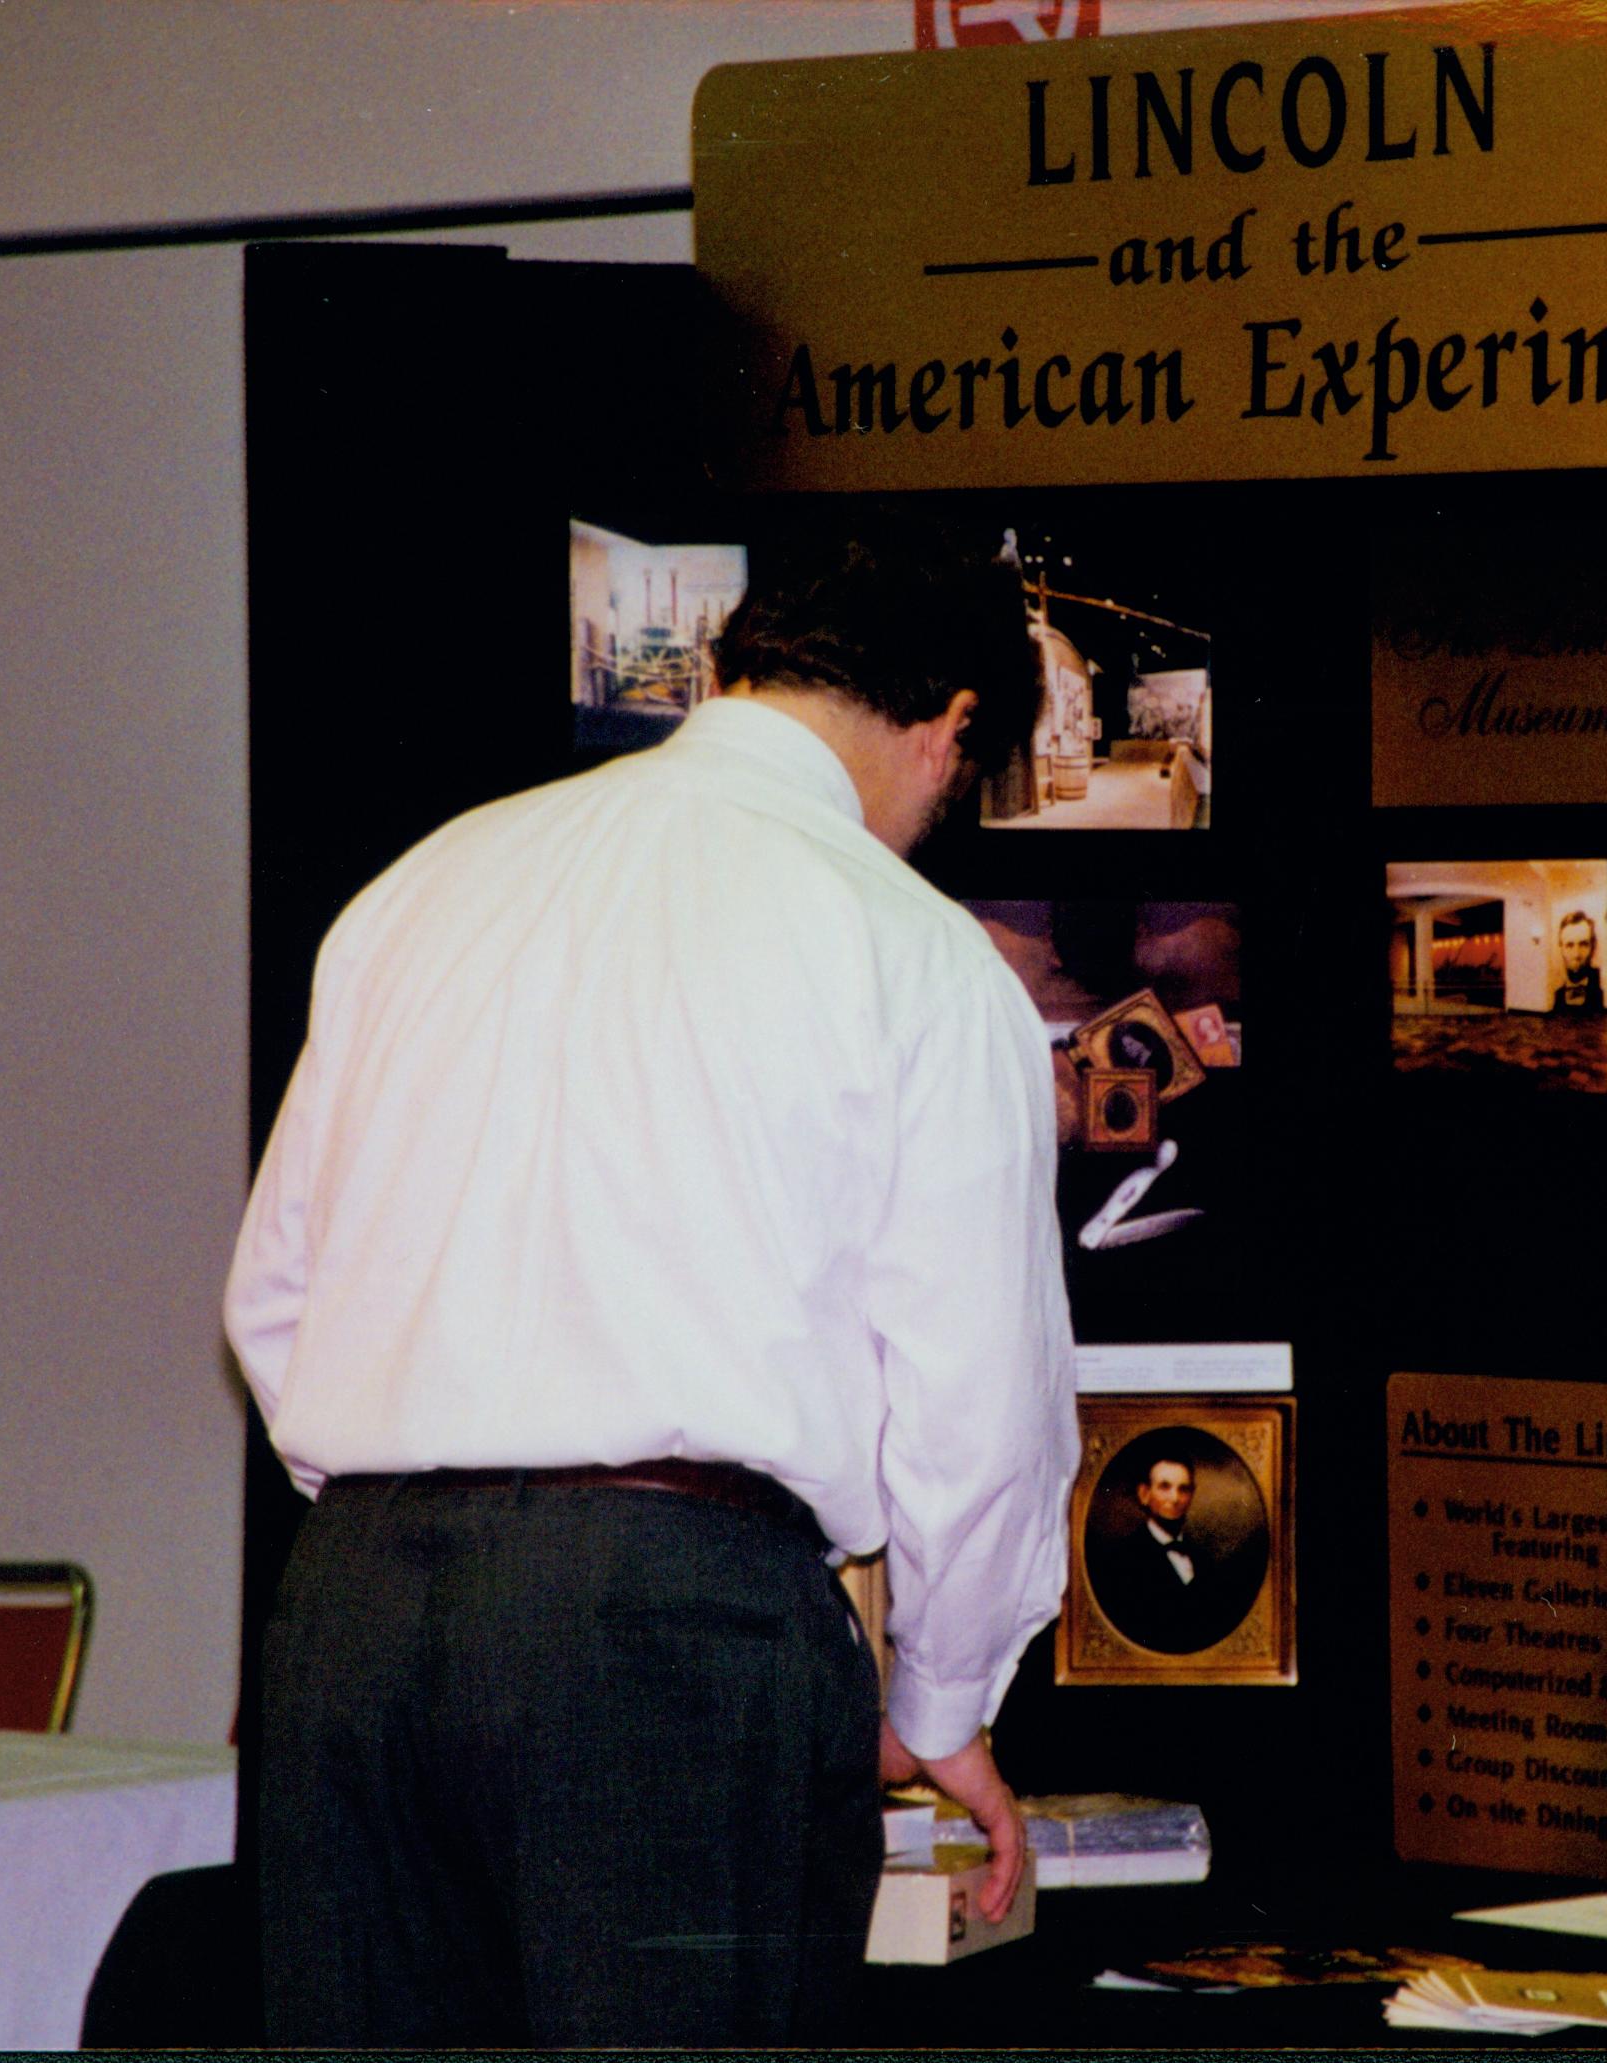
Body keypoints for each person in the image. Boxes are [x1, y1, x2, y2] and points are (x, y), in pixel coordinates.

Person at [222, 523, 1079, 2047]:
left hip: (352, 1608)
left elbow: (276, 1296)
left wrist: (428, 1519)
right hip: (668, 1630)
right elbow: (980, 1397)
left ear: (736, 667)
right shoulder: (913, 948)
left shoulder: (428, 881)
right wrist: (943, 1702)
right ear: (954, 722)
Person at [1089, 1449, 1223, 1654]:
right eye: (1164, 1487)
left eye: (1184, 1489)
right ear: (1144, 1494)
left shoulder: (1204, 1558)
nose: (1175, 1498)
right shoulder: (1121, 1560)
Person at [1551, 909, 1607, 1014]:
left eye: (1583, 944)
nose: (1576, 954)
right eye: (1569, 945)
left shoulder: (1604, 993)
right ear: (1561, 949)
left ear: (1593, 947)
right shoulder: (1557, 996)